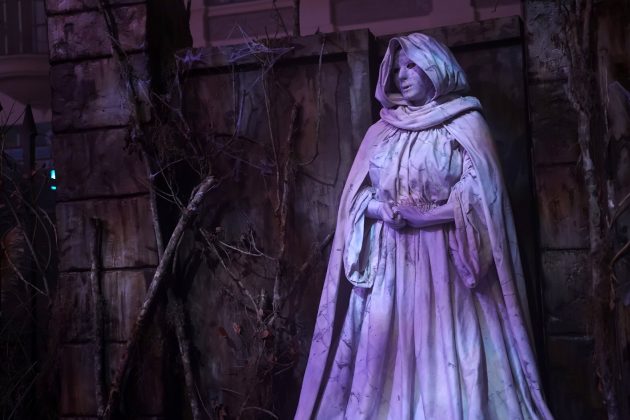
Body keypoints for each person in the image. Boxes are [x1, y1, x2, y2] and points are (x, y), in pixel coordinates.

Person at [294, 33, 554, 420]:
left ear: (436, 67)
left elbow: (483, 196)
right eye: (397, 69)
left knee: (450, 349)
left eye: (412, 65)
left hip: (449, 264)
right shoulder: (381, 132)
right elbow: (355, 198)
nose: (402, 75)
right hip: (391, 267)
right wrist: (381, 210)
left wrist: (429, 216)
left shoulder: (465, 124)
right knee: (385, 357)